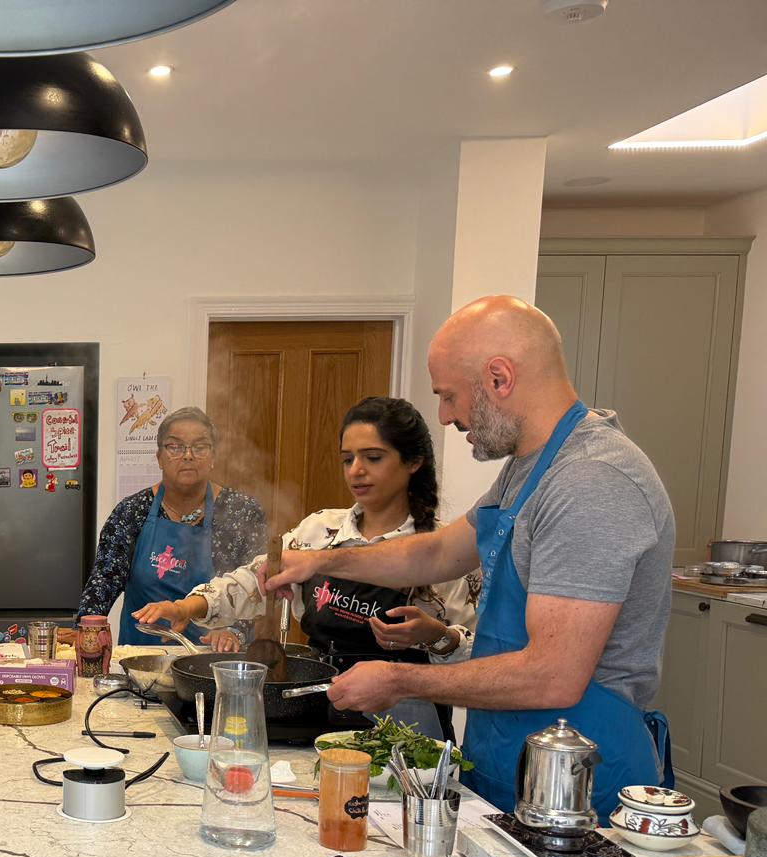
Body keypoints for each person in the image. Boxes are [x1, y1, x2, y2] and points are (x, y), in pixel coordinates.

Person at [264, 296, 676, 817]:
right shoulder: (528, 469)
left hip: (578, 787)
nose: (444, 416)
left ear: (499, 378)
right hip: (510, 763)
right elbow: (438, 552)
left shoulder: (591, 481)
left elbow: (553, 674)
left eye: (449, 396)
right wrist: (320, 561)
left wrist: (399, 680)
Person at [135, 397, 479, 739]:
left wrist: (436, 636)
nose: (356, 470)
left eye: (373, 457)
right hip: (322, 715)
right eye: (348, 459)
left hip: (408, 729)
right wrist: (184, 607)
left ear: (413, 461)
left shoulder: (446, 551)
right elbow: (253, 581)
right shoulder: (320, 532)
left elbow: (477, 664)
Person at [79, 407, 265, 646]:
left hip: (212, 659)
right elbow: (103, 581)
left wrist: (235, 632)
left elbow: (258, 587)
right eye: (175, 447)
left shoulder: (242, 512)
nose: (188, 455)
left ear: (214, 457)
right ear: (159, 458)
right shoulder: (132, 511)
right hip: (141, 659)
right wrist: (85, 630)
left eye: (200, 447)